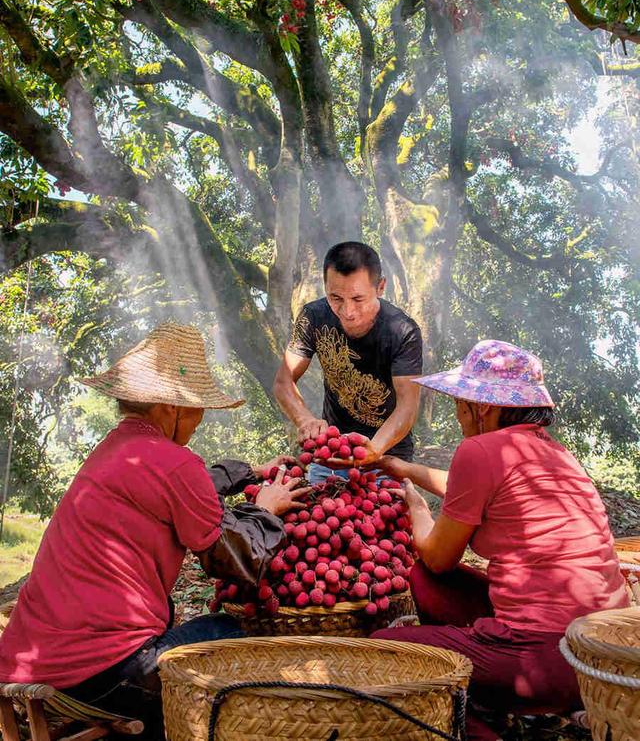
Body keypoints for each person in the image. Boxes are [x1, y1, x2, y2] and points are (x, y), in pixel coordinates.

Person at [0, 323, 306, 739]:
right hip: (102, 674)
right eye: (197, 407)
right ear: (170, 407)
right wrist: (264, 511)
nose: (198, 419)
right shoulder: (174, 465)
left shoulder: (114, 451)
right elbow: (236, 560)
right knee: (233, 635)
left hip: (28, 665)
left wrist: (249, 472)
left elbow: (183, 487)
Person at [372, 340, 629, 741]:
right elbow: (471, 493)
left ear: (484, 406)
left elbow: (438, 556)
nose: (459, 415)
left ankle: (477, 727)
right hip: (600, 656)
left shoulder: (479, 449)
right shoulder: (557, 454)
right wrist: (405, 468)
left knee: (386, 652)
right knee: (423, 582)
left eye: (461, 402)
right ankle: (495, 698)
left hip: (544, 661)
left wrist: (416, 510)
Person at [273, 241, 422, 483]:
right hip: (330, 455)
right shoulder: (313, 317)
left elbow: (408, 406)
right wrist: (305, 420)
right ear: (325, 287)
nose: (347, 311)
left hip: (388, 457)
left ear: (380, 287)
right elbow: (283, 382)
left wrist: (374, 449)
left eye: (358, 298)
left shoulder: (403, 331)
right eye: (336, 298)